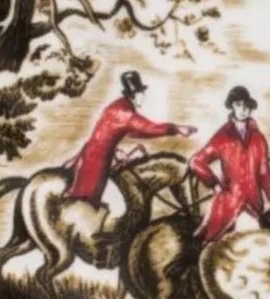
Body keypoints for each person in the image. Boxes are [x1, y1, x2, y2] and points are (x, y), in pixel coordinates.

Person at [64, 70, 196, 204]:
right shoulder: (124, 112)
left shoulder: (119, 105)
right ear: (134, 94)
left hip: (95, 153)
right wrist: (177, 129)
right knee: (90, 200)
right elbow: (149, 128)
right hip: (98, 159)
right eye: (141, 93)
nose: (143, 96)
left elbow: (131, 131)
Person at [190, 85, 270, 241]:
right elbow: (196, 161)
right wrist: (214, 183)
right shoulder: (223, 137)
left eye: (246, 105)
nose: (243, 109)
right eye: (238, 105)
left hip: (254, 205)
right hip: (230, 205)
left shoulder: (258, 139)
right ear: (232, 106)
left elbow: (264, 173)